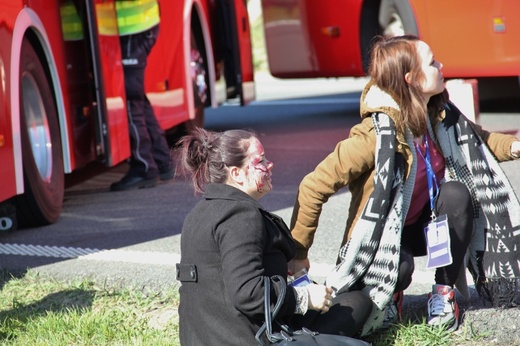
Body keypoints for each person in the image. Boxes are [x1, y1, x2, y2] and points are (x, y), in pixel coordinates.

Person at [289, 34, 520, 335]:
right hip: (386, 235)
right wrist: (297, 253)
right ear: (411, 78)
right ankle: (390, 295)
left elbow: (480, 140)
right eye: (433, 62)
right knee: (400, 268)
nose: (441, 65)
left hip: (428, 224)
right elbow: (312, 187)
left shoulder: (440, 114)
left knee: (457, 194)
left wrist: (514, 147)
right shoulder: (373, 135)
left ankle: (444, 291)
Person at [176, 128, 372, 345]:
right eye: (261, 161)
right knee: (355, 305)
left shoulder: (198, 214)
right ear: (236, 174)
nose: (270, 165)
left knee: (352, 301)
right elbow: (248, 293)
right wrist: (304, 298)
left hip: (205, 337)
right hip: (245, 337)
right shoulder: (240, 216)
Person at [110, 0, 173, 191]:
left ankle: (144, 167)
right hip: (137, 25)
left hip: (133, 27)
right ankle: (162, 161)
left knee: (131, 99)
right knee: (136, 98)